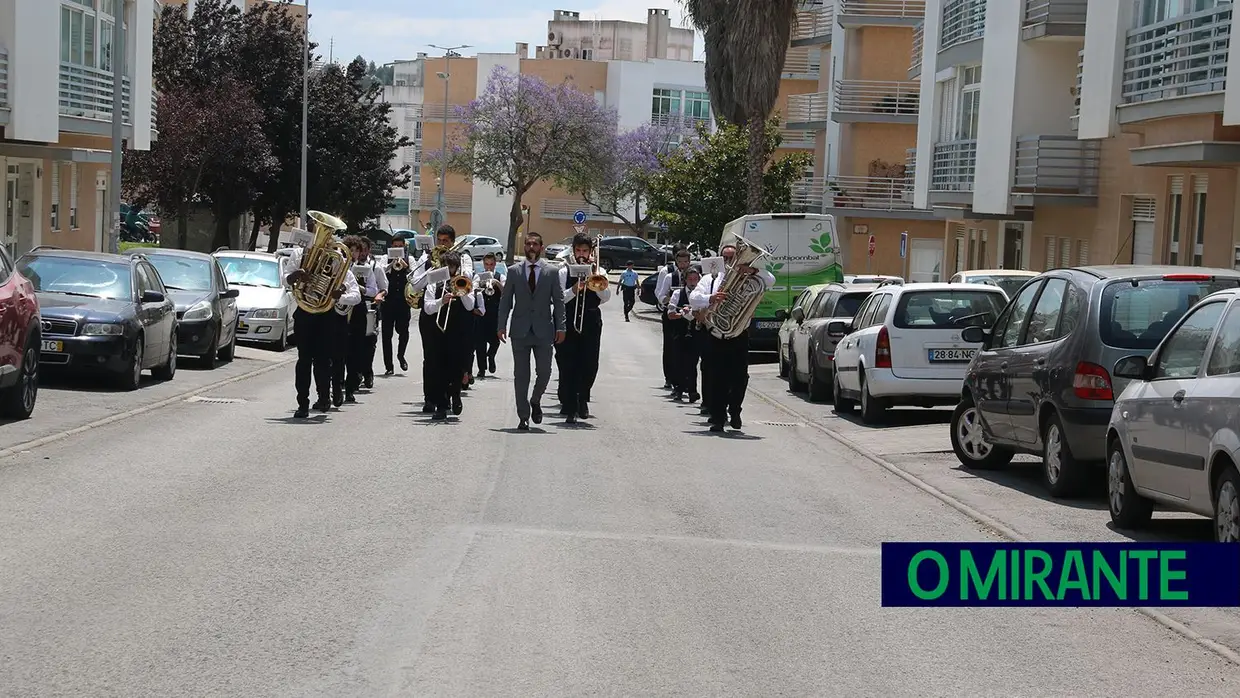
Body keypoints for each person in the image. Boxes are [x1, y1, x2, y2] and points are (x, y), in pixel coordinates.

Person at [689, 244, 775, 432]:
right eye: (726, 258)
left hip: (739, 334)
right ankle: (718, 418)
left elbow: (771, 280)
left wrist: (752, 270)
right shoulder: (711, 278)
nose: (730, 261)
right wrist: (711, 298)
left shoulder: (751, 277)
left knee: (740, 378)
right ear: (720, 260)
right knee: (717, 378)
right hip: (716, 335)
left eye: (733, 257)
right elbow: (694, 298)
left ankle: (735, 411)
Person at [496, 232, 566, 431]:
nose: (531, 247)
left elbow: (559, 302)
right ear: (524, 247)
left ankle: (535, 399)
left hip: (544, 330)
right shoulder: (514, 271)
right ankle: (523, 416)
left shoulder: (551, 272)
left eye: (535, 244)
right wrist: (501, 325)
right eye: (528, 244)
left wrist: (561, 326)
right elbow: (505, 301)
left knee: (544, 372)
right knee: (521, 375)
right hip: (520, 330)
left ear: (541, 247)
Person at [283, 244, 361, 418]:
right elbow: (285, 279)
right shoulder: (300, 254)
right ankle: (302, 403)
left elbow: (356, 295)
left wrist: (340, 295)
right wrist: (296, 275)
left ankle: (324, 397)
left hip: (326, 316)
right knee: (303, 360)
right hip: (304, 313)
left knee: (323, 361)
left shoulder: (337, 260)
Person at [409, 224, 473, 413]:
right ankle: (431, 398)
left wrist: (452, 270)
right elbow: (415, 284)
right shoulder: (426, 258)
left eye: (446, 241)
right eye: (440, 240)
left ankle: (453, 394)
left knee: (454, 358)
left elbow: (467, 278)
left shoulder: (464, 257)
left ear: (453, 242)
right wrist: (433, 271)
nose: (442, 244)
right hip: (431, 315)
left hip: (457, 312)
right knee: (431, 358)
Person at [557, 233, 611, 423]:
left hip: (591, 321)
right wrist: (574, 290)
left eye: (585, 251)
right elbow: (558, 299)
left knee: (590, 365)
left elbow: (606, 298)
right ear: (573, 251)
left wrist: (595, 279)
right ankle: (571, 406)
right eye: (578, 250)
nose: (581, 254)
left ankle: (582, 398)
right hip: (568, 321)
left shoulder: (599, 270)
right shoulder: (564, 271)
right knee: (569, 365)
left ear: (591, 252)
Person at [422, 251, 479, 421]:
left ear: (457, 268)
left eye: (453, 267)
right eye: (447, 267)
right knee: (438, 369)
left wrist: (460, 292)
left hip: (458, 332)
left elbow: (470, 306)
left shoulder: (464, 282)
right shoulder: (434, 282)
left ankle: (456, 395)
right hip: (438, 331)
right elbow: (427, 307)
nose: (450, 270)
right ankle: (441, 405)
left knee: (456, 369)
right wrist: (442, 301)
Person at [344, 235, 388, 399]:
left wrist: (359, 288)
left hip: (359, 309)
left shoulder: (368, 268)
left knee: (358, 348)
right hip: (340, 310)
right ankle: (337, 384)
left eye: (357, 251)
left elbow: (373, 290)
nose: (355, 254)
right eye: (352, 251)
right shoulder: (337, 266)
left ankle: (351, 385)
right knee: (340, 350)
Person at [654, 247, 693, 390]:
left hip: (690, 315)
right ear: (676, 261)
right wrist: (671, 300)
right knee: (670, 346)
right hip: (672, 314)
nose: (683, 265)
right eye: (680, 262)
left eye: (685, 262)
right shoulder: (669, 275)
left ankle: (686, 379)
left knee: (688, 348)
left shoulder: (695, 275)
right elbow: (660, 293)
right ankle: (669, 377)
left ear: (689, 262)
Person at [666, 266, 702, 403]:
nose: (693, 282)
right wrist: (682, 314)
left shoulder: (701, 296)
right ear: (685, 280)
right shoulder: (677, 294)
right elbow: (670, 314)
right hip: (679, 333)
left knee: (692, 363)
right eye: (690, 279)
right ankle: (679, 389)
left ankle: (692, 390)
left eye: (695, 279)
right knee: (678, 361)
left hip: (695, 333)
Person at [380, 236, 412, 376]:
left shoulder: (410, 259)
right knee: (387, 335)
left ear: (404, 247)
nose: (398, 248)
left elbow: (414, 278)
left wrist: (406, 267)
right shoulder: (384, 258)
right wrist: (391, 263)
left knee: (403, 331)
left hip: (403, 302)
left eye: (400, 246)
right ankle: (389, 366)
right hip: (388, 301)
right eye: (395, 246)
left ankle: (401, 355)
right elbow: (381, 272)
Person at [473, 253, 505, 378]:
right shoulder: (478, 276)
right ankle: (481, 369)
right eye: (486, 264)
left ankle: (491, 356)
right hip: (481, 314)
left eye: (491, 264)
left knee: (495, 341)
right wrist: (480, 285)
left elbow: (505, 292)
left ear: (495, 264)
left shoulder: (500, 276)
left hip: (494, 313)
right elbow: (473, 290)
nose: (489, 267)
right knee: (479, 344)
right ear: (483, 264)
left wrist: (496, 283)